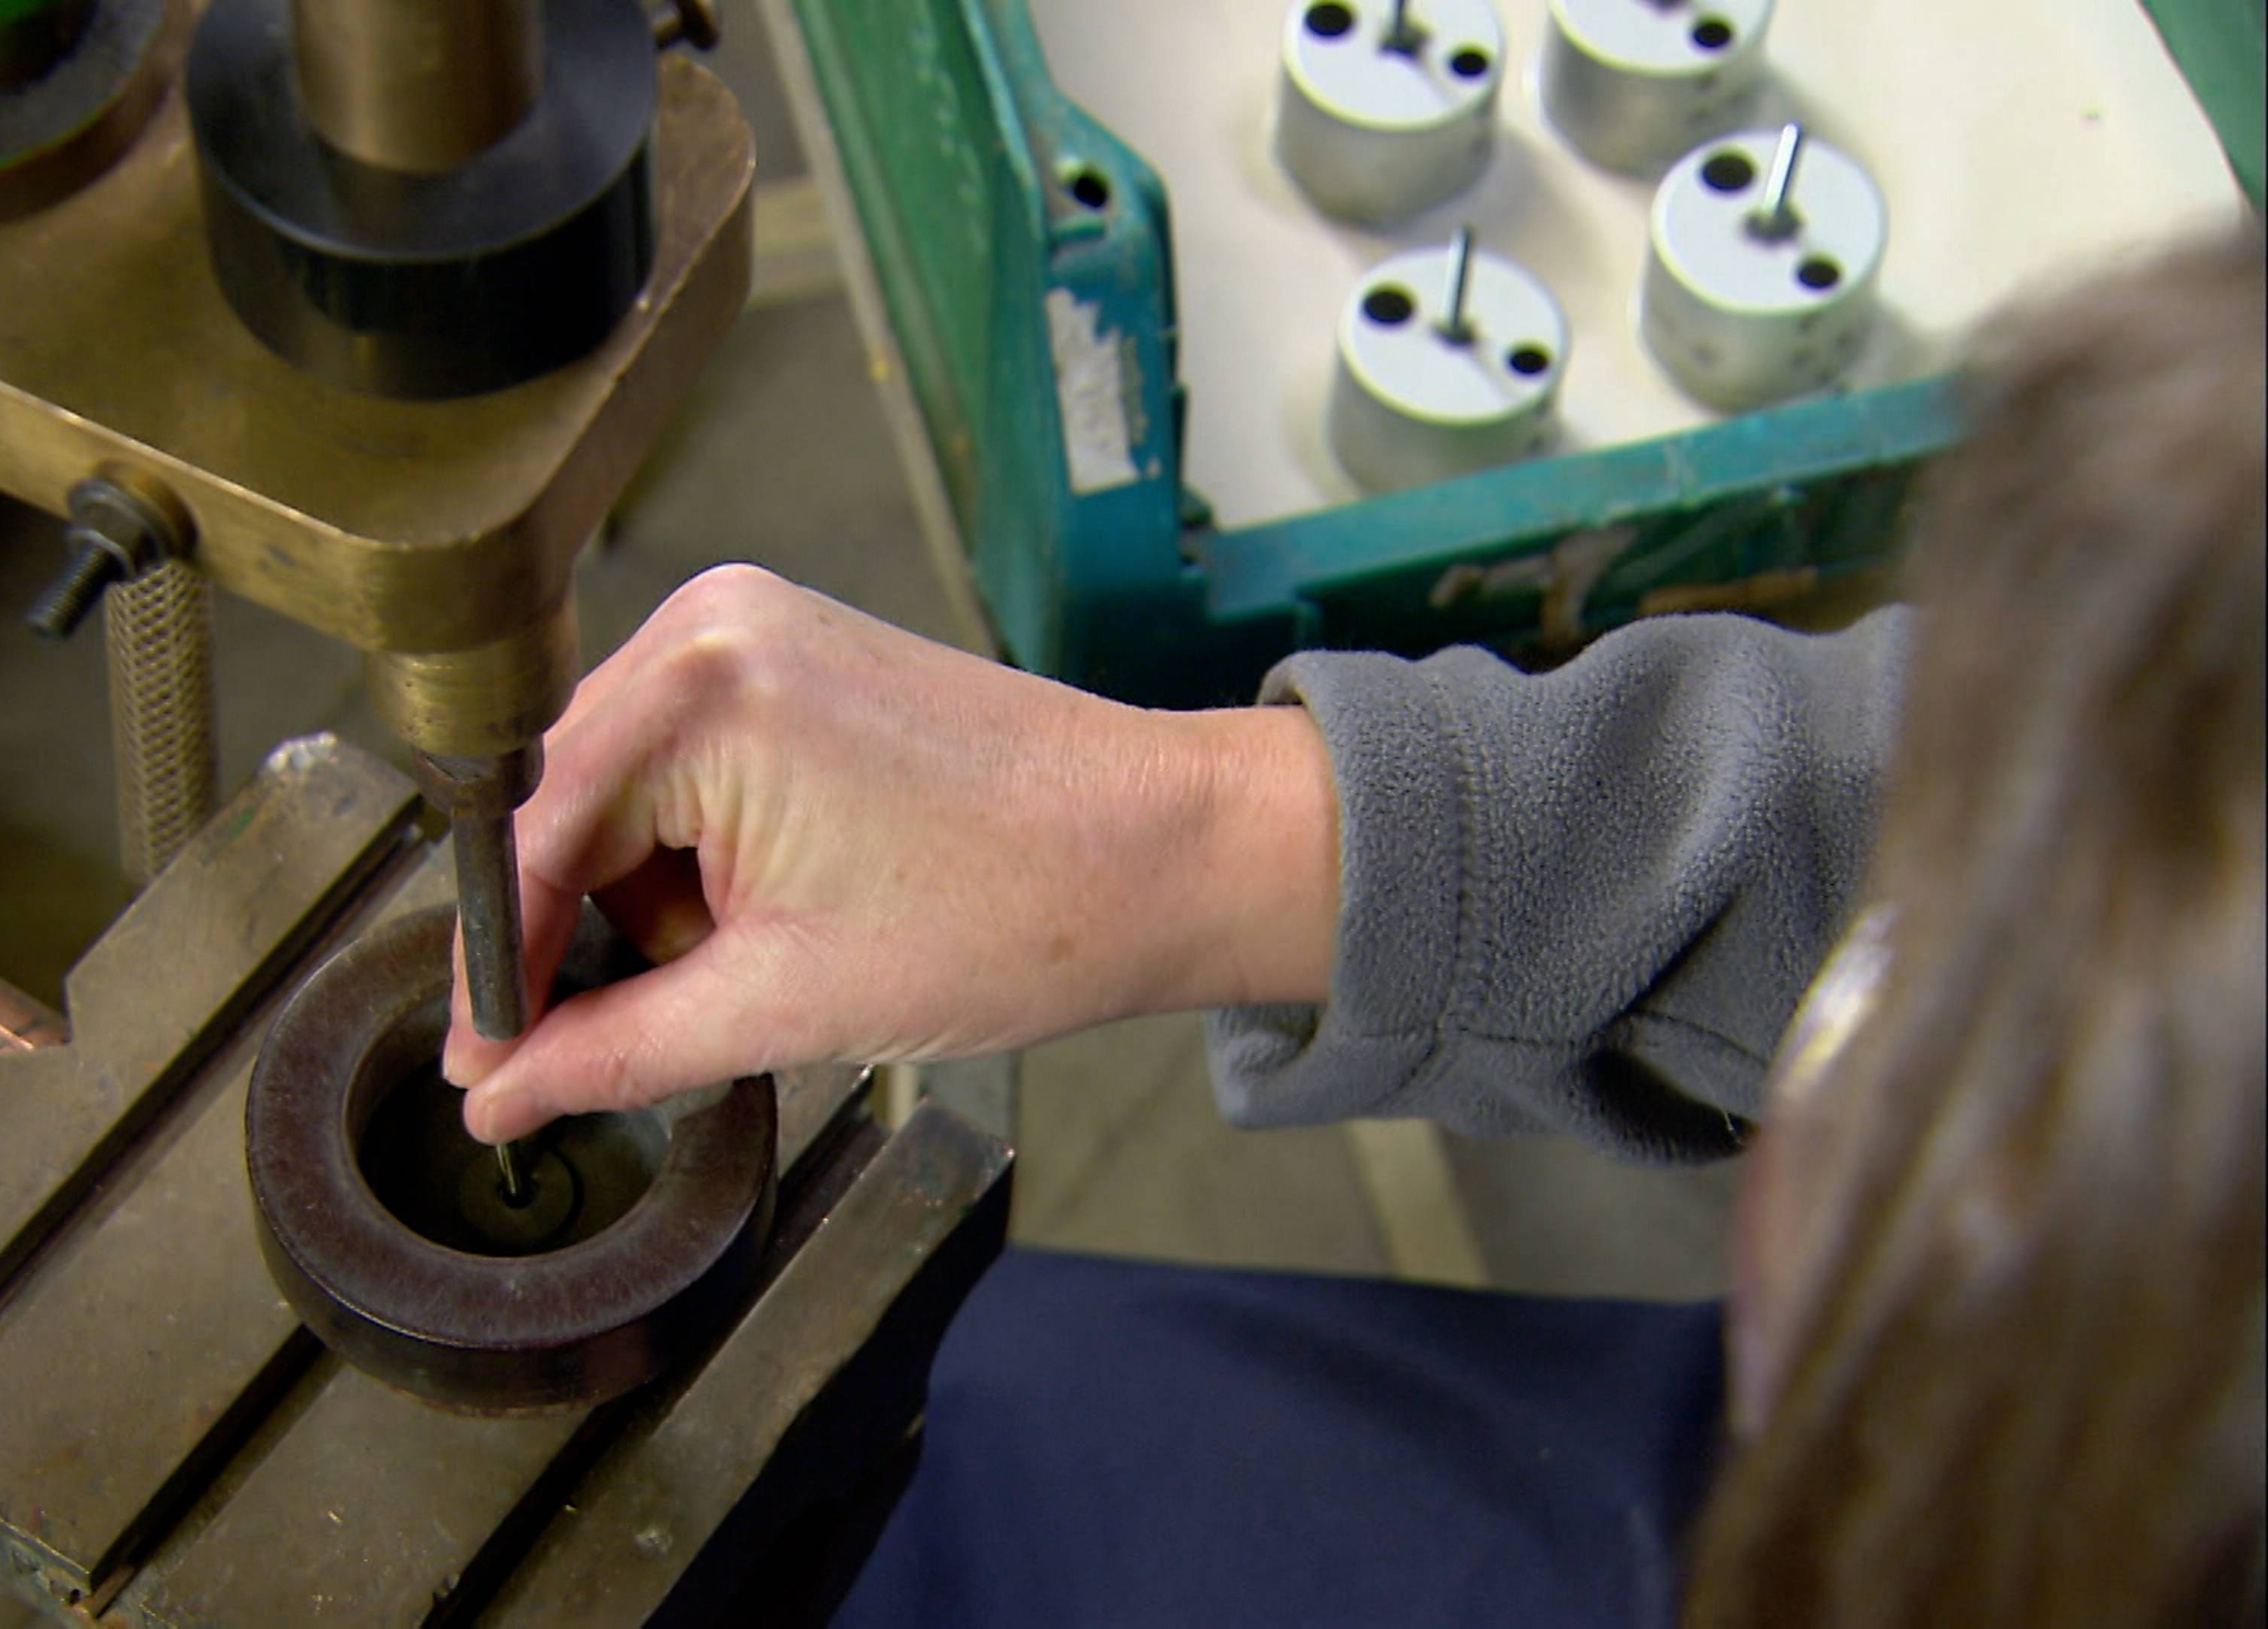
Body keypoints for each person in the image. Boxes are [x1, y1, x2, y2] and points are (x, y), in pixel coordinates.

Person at [444, 229, 2264, 1625]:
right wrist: (1194, 834)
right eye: (1904, 972)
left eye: (2004, 1110)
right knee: (970, 1416)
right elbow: (1953, 778)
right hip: (1843, 1472)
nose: (1841, 1081)